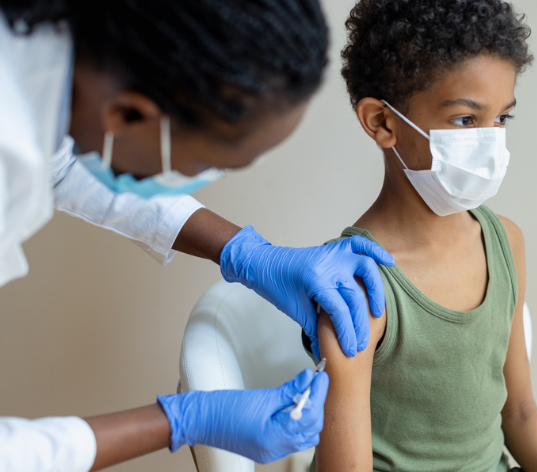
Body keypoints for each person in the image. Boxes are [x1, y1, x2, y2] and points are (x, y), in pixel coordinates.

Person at [0, 1, 394, 471]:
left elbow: (64, 160)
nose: (200, 176)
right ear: (128, 114)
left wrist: (243, 251)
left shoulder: (58, 73)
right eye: (206, 163)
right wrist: (180, 421)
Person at [303, 0, 537, 471]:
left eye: (501, 118)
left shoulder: (505, 242)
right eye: (466, 120)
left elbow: (520, 410)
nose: (490, 142)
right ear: (382, 122)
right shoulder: (355, 280)